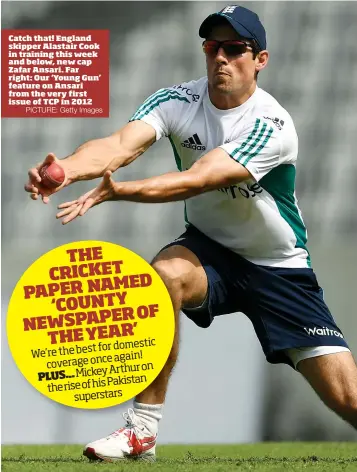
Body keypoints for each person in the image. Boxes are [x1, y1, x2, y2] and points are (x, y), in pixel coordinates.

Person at [25, 4, 357, 462]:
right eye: (212, 47)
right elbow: (119, 145)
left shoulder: (272, 124)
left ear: (260, 59)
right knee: (161, 277)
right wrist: (65, 170)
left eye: (235, 48)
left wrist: (120, 191)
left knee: (349, 400)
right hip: (210, 250)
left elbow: (200, 178)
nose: (221, 57)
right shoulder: (177, 100)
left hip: (279, 268)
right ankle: (142, 431)